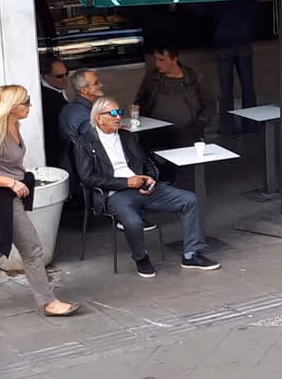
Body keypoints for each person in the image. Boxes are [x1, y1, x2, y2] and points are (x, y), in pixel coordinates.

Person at [0, 85, 79, 318]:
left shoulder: (14, 126)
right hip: (0, 198)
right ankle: (48, 302)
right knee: (32, 249)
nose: (29, 106)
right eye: (25, 102)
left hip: (7, 194)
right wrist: (11, 182)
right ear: (11, 107)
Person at [72, 96, 218, 276]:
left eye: (119, 112)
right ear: (99, 119)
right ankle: (141, 258)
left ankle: (191, 255)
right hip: (115, 194)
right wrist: (125, 182)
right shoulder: (85, 143)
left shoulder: (127, 136)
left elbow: (146, 162)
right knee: (133, 222)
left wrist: (150, 178)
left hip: (142, 186)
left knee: (190, 200)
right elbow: (87, 178)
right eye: (113, 113)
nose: (118, 117)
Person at [135, 44, 215, 149]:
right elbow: (140, 100)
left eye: (162, 60)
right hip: (156, 131)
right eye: (155, 59)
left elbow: (209, 104)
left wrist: (199, 124)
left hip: (187, 132)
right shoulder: (152, 77)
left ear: (174, 59)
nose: (157, 64)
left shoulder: (194, 77)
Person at [211, 0, 258, 135]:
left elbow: (203, 9)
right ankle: (251, 126)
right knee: (248, 87)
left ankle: (227, 128)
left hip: (222, 39)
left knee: (225, 90)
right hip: (243, 37)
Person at [59, 68, 106, 151]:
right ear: (84, 90)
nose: (101, 85)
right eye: (96, 83)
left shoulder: (68, 108)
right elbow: (97, 142)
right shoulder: (84, 114)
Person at [38, 59, 69, 159]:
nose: (65, 78)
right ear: (46, 75)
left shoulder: (56, 89)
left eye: (66, 74)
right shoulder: (46, 97)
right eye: (59, 76)